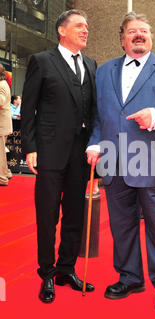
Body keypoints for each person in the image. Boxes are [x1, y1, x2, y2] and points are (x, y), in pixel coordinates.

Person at [86, 12, 155, 311]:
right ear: (122, 38)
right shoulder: (104, 71)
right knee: (122, 225)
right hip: (114, 160)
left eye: (144, 30)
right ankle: (130, 276)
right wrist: (95, 142)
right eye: (132, 31)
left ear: (151, 36)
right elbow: (99, 114)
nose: (139, 35)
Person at [21, 9, 97, 303]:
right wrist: (30, 147)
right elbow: (29, 108)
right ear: (62, 31)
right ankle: (48, 273)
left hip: (80, 154)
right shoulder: (42, 62)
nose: (85, 30)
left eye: (87, 26)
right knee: (48, 214)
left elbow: (93, 111)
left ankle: (67, 268)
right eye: (79, 25)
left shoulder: (90, 64)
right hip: (50, 151)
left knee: (76, 215)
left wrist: (94, 145)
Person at [0, 64, 12, 186]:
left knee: (0, 153)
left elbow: (1, 101)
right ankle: (6, 173)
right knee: (1, 152)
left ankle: (2, 178)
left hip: (1, 125)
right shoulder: (4, 84)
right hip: (3, 124)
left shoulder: (1, 85)